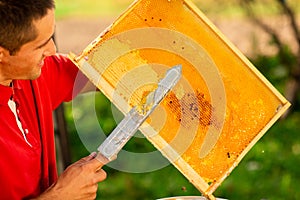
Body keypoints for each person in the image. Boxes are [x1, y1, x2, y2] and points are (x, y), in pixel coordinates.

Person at [0, 0, 107, 199]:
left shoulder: (36, 72)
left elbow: (103, 74)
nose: (53, 49)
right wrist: (61, 195)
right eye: (41, 45)